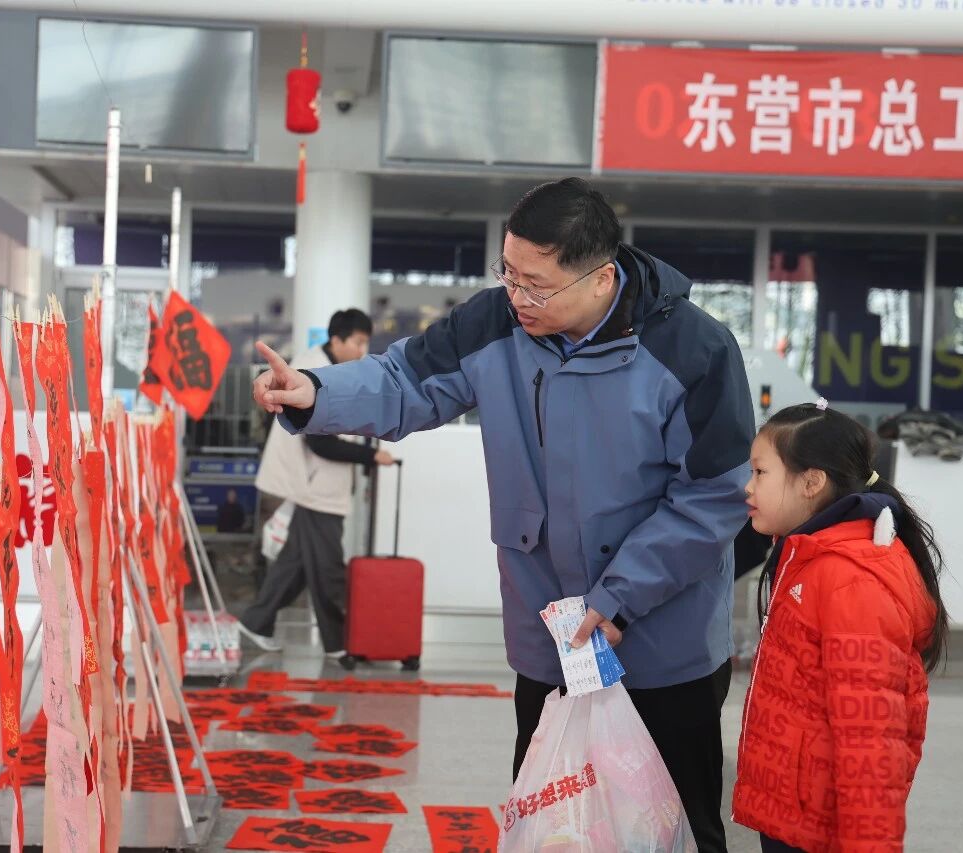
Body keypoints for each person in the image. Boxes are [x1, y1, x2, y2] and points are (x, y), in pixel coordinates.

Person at [252, 178, 753, 852]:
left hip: (664, 643)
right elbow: (405, 380)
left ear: (602, 279)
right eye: (508, 274)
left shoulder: (694, 350)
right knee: (551, 822)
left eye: (536, 285)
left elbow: (713, 495)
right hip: (553, 637)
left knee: (674, 826)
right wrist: (316, 393)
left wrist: (620, 596)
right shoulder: (496, 323)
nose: (517, 296)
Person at [733, 401, 947, 853]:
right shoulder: (809, 554)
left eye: (760, 473)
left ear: (811, 482)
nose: (747, 487)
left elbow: (871, 741)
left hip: (821, 827)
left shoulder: (849, 581)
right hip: (795, 812)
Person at [239, 308, 398, 659]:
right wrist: (372, 457)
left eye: (366, 343)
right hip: (311, 486)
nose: (362, 351)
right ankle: (337, 643)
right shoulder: (313, 372)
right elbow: (321, 443)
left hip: (312, 484)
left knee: (297, 564)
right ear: (337, 340)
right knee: (327, 567)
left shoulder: (330, 368)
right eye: (358, 342)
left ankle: (257, 621)